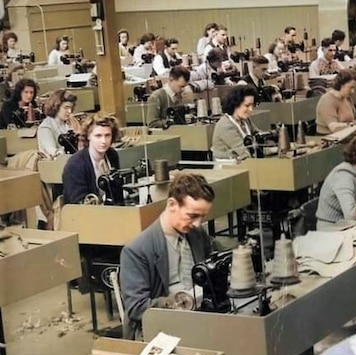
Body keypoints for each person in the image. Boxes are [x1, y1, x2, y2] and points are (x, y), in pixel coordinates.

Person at [120, 172, 216, 340]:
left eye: (203, 216)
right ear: (172, 204)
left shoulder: (198, 234)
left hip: (201, 318)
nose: (197, 224)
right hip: (164, 328)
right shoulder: (137, 251)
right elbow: (137, 307)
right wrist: (181, 301)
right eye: (192, 216)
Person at [61, 113, 121, 205]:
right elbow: (78, 202)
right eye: (98, 136)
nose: (103, 141)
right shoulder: (75, 165)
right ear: (88, 136)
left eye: (107, 135)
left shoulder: (112, 155)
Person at [211, 85, 260, 161]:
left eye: (252, 105)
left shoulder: (246, 120)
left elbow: (259, 136)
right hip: (228, 169)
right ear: (235, 104)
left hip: (243, 164)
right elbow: (243, 152)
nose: (251, 109)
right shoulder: (225, 125)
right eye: (247, 105)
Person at [37, 90, 78, 158]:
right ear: (56, 106)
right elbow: (53, 153)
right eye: (66, 107)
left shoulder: (67, 124)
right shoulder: (45, 128)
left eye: (71, 108)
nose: (70, 111)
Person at [316, 69, 356, 135]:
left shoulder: (347, 98)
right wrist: (350, 125)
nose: (353, 91)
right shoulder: (328, 100)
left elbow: (354, 119)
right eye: (351, 87)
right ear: (341, 84)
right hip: (329, 138)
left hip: (346, 135)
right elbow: (333, 127)